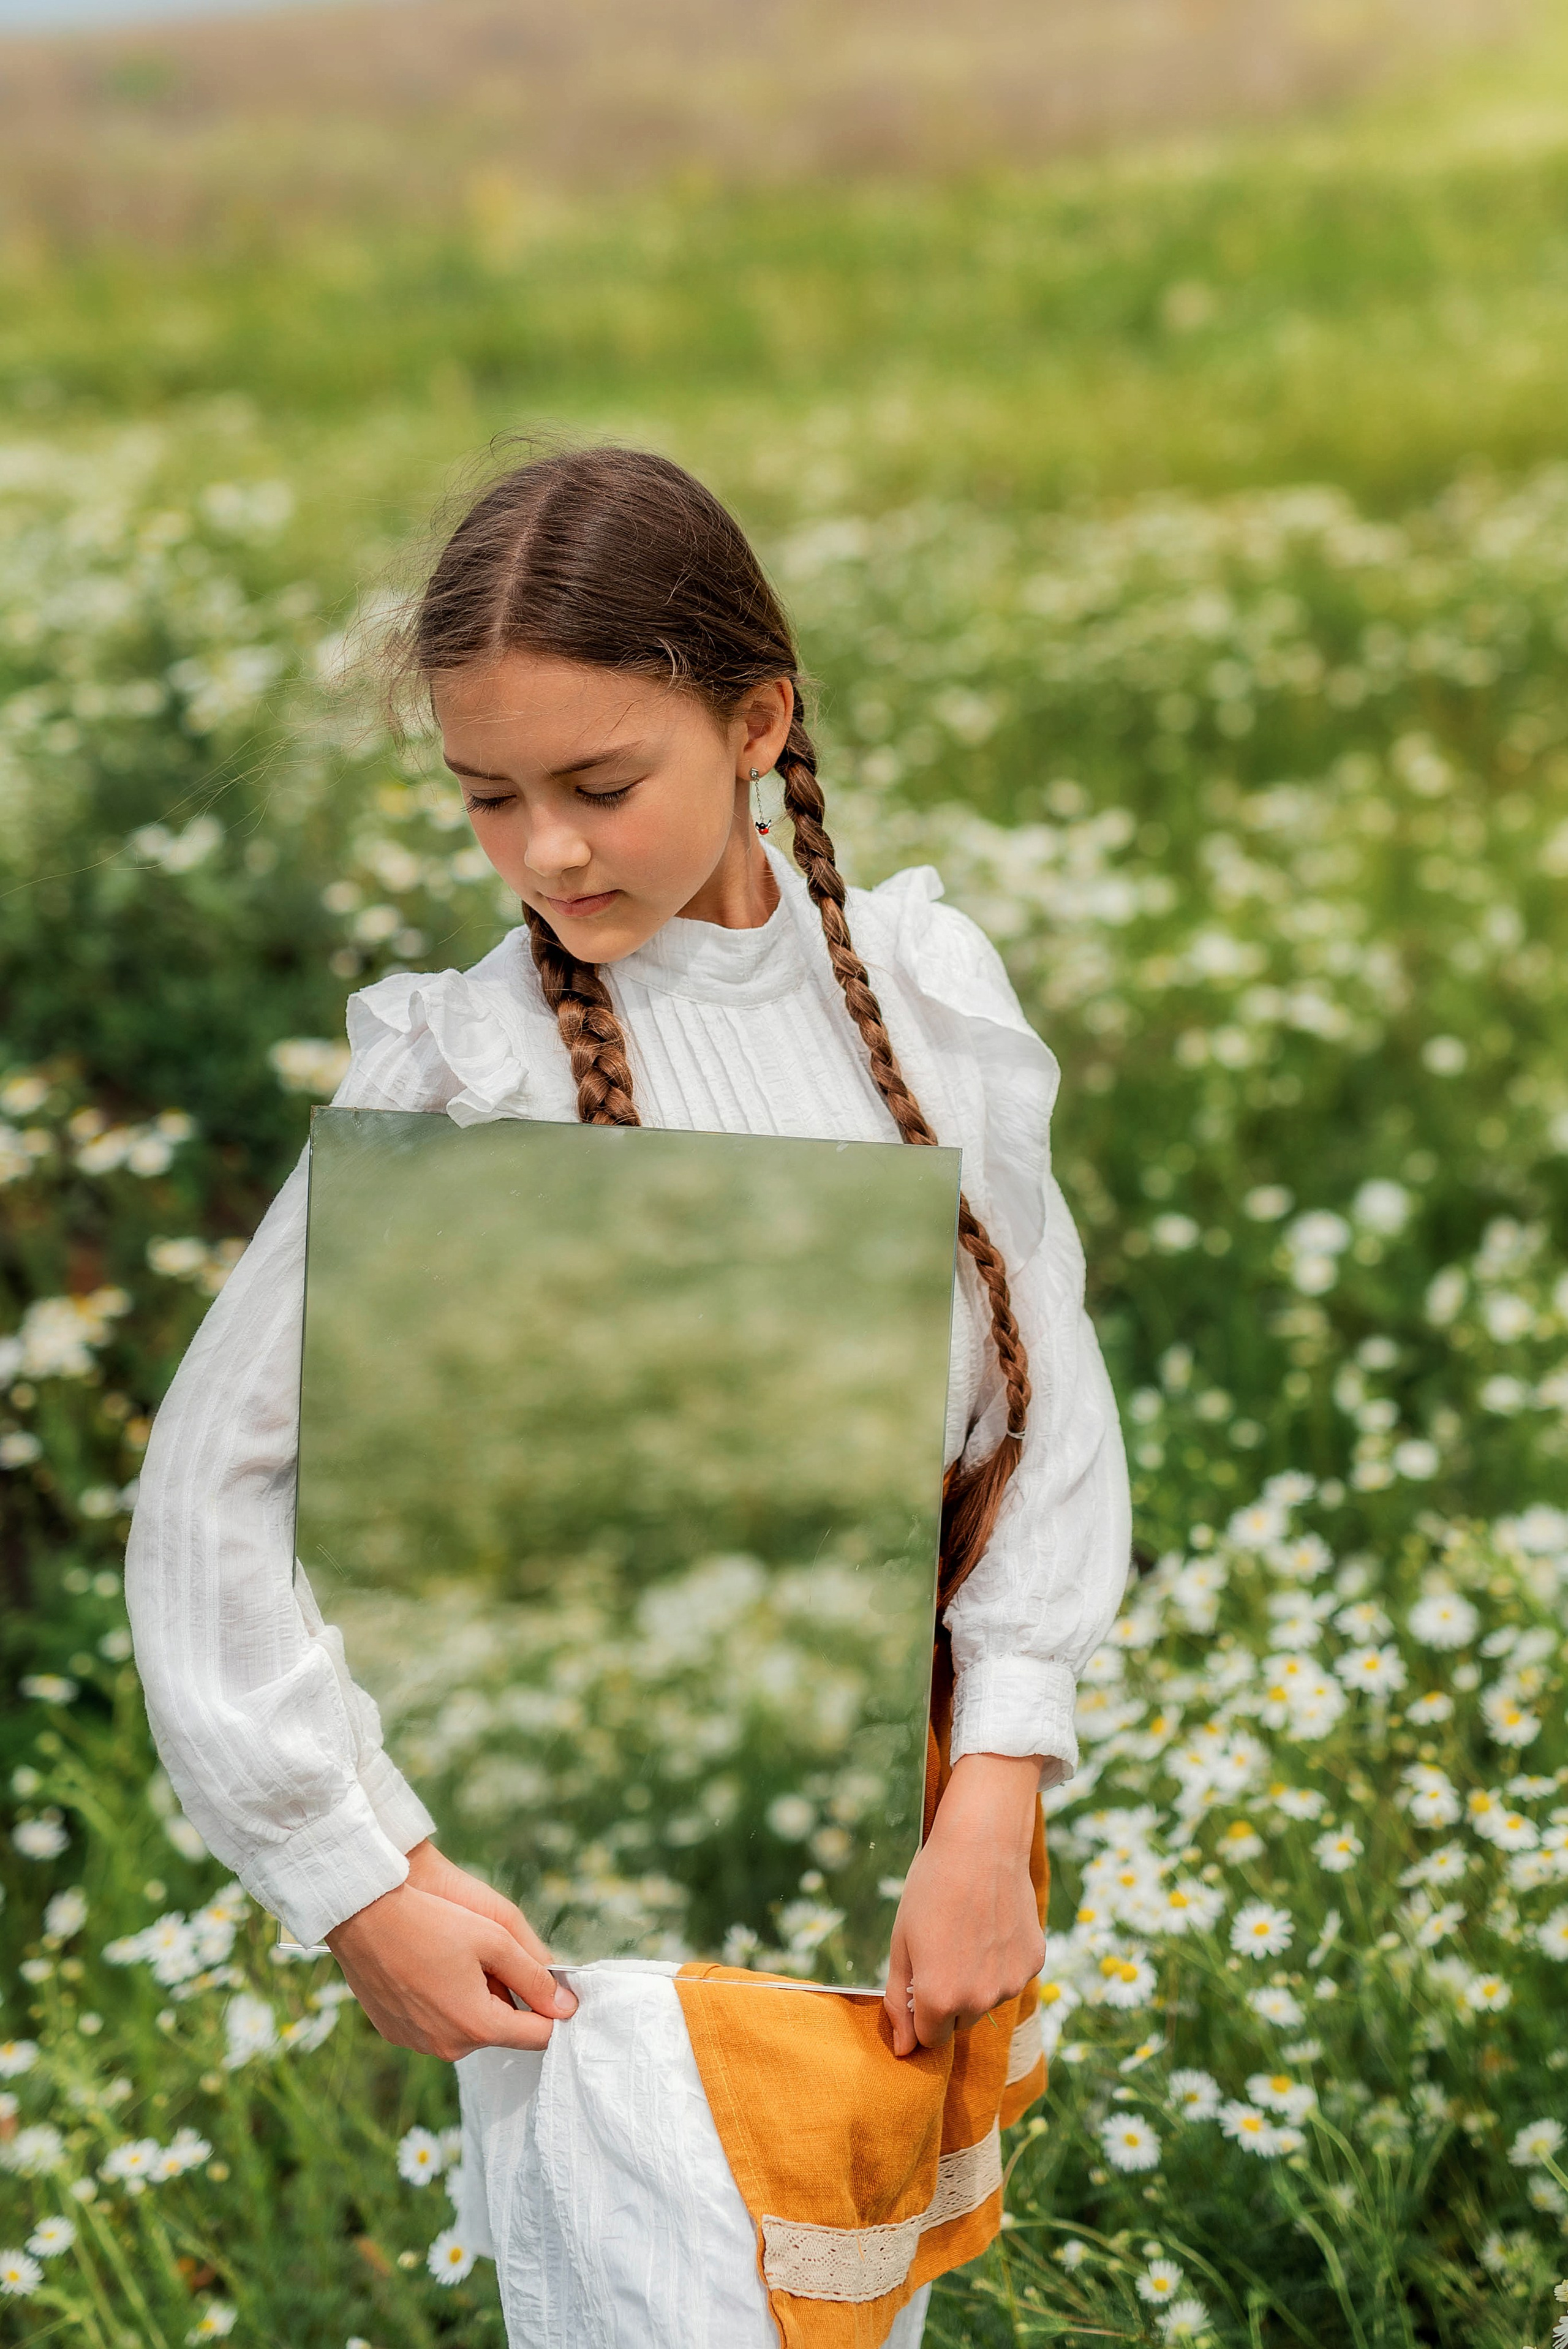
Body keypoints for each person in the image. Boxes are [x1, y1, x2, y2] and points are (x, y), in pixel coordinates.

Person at [126, 445, 1131, 2348]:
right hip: (588, 1913)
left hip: (877, 1841)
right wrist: (359, 1871)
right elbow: (205, 1499)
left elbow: (1046, 1399)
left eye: (600, 786)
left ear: (759, 719)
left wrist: (994, 1793)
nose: (545, 855)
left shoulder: (915, 997)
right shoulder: (471, 1074)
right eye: (487, 800)